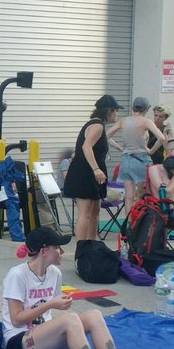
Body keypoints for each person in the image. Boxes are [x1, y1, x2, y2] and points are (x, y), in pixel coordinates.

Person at [1, 226, 139, 349]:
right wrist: (51, 304)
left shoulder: (54, 273)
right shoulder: (17, 275)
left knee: (94, 315)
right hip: (20, 344)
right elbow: (16, 319)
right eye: (57, 247)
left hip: (47, 343)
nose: (62, 251)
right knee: (71, 319)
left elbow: (49, 312)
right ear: (44, 251)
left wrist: (58, 304)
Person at [63, 95, 122, 242]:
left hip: (92, 173)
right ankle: (81, 250)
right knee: (85, 213)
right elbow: (86, 146)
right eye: (115, 111)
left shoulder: (99, 126)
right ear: (109, 111)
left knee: (95, 212)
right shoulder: (97, 126)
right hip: (85, 173)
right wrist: (96, 169)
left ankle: (92, 243)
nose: (117, 114)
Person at [107, 96, 166, 216]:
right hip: (141, 159)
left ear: (133, 107)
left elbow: (106, 135)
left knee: (128, 196)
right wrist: (151, 151)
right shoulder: (146, 121)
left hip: (126, 160)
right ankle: (137, 221)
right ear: (146, 109)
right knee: (141, 194)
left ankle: (129, 223)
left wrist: (119, 147)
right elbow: (161, 138)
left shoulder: (123, 121)